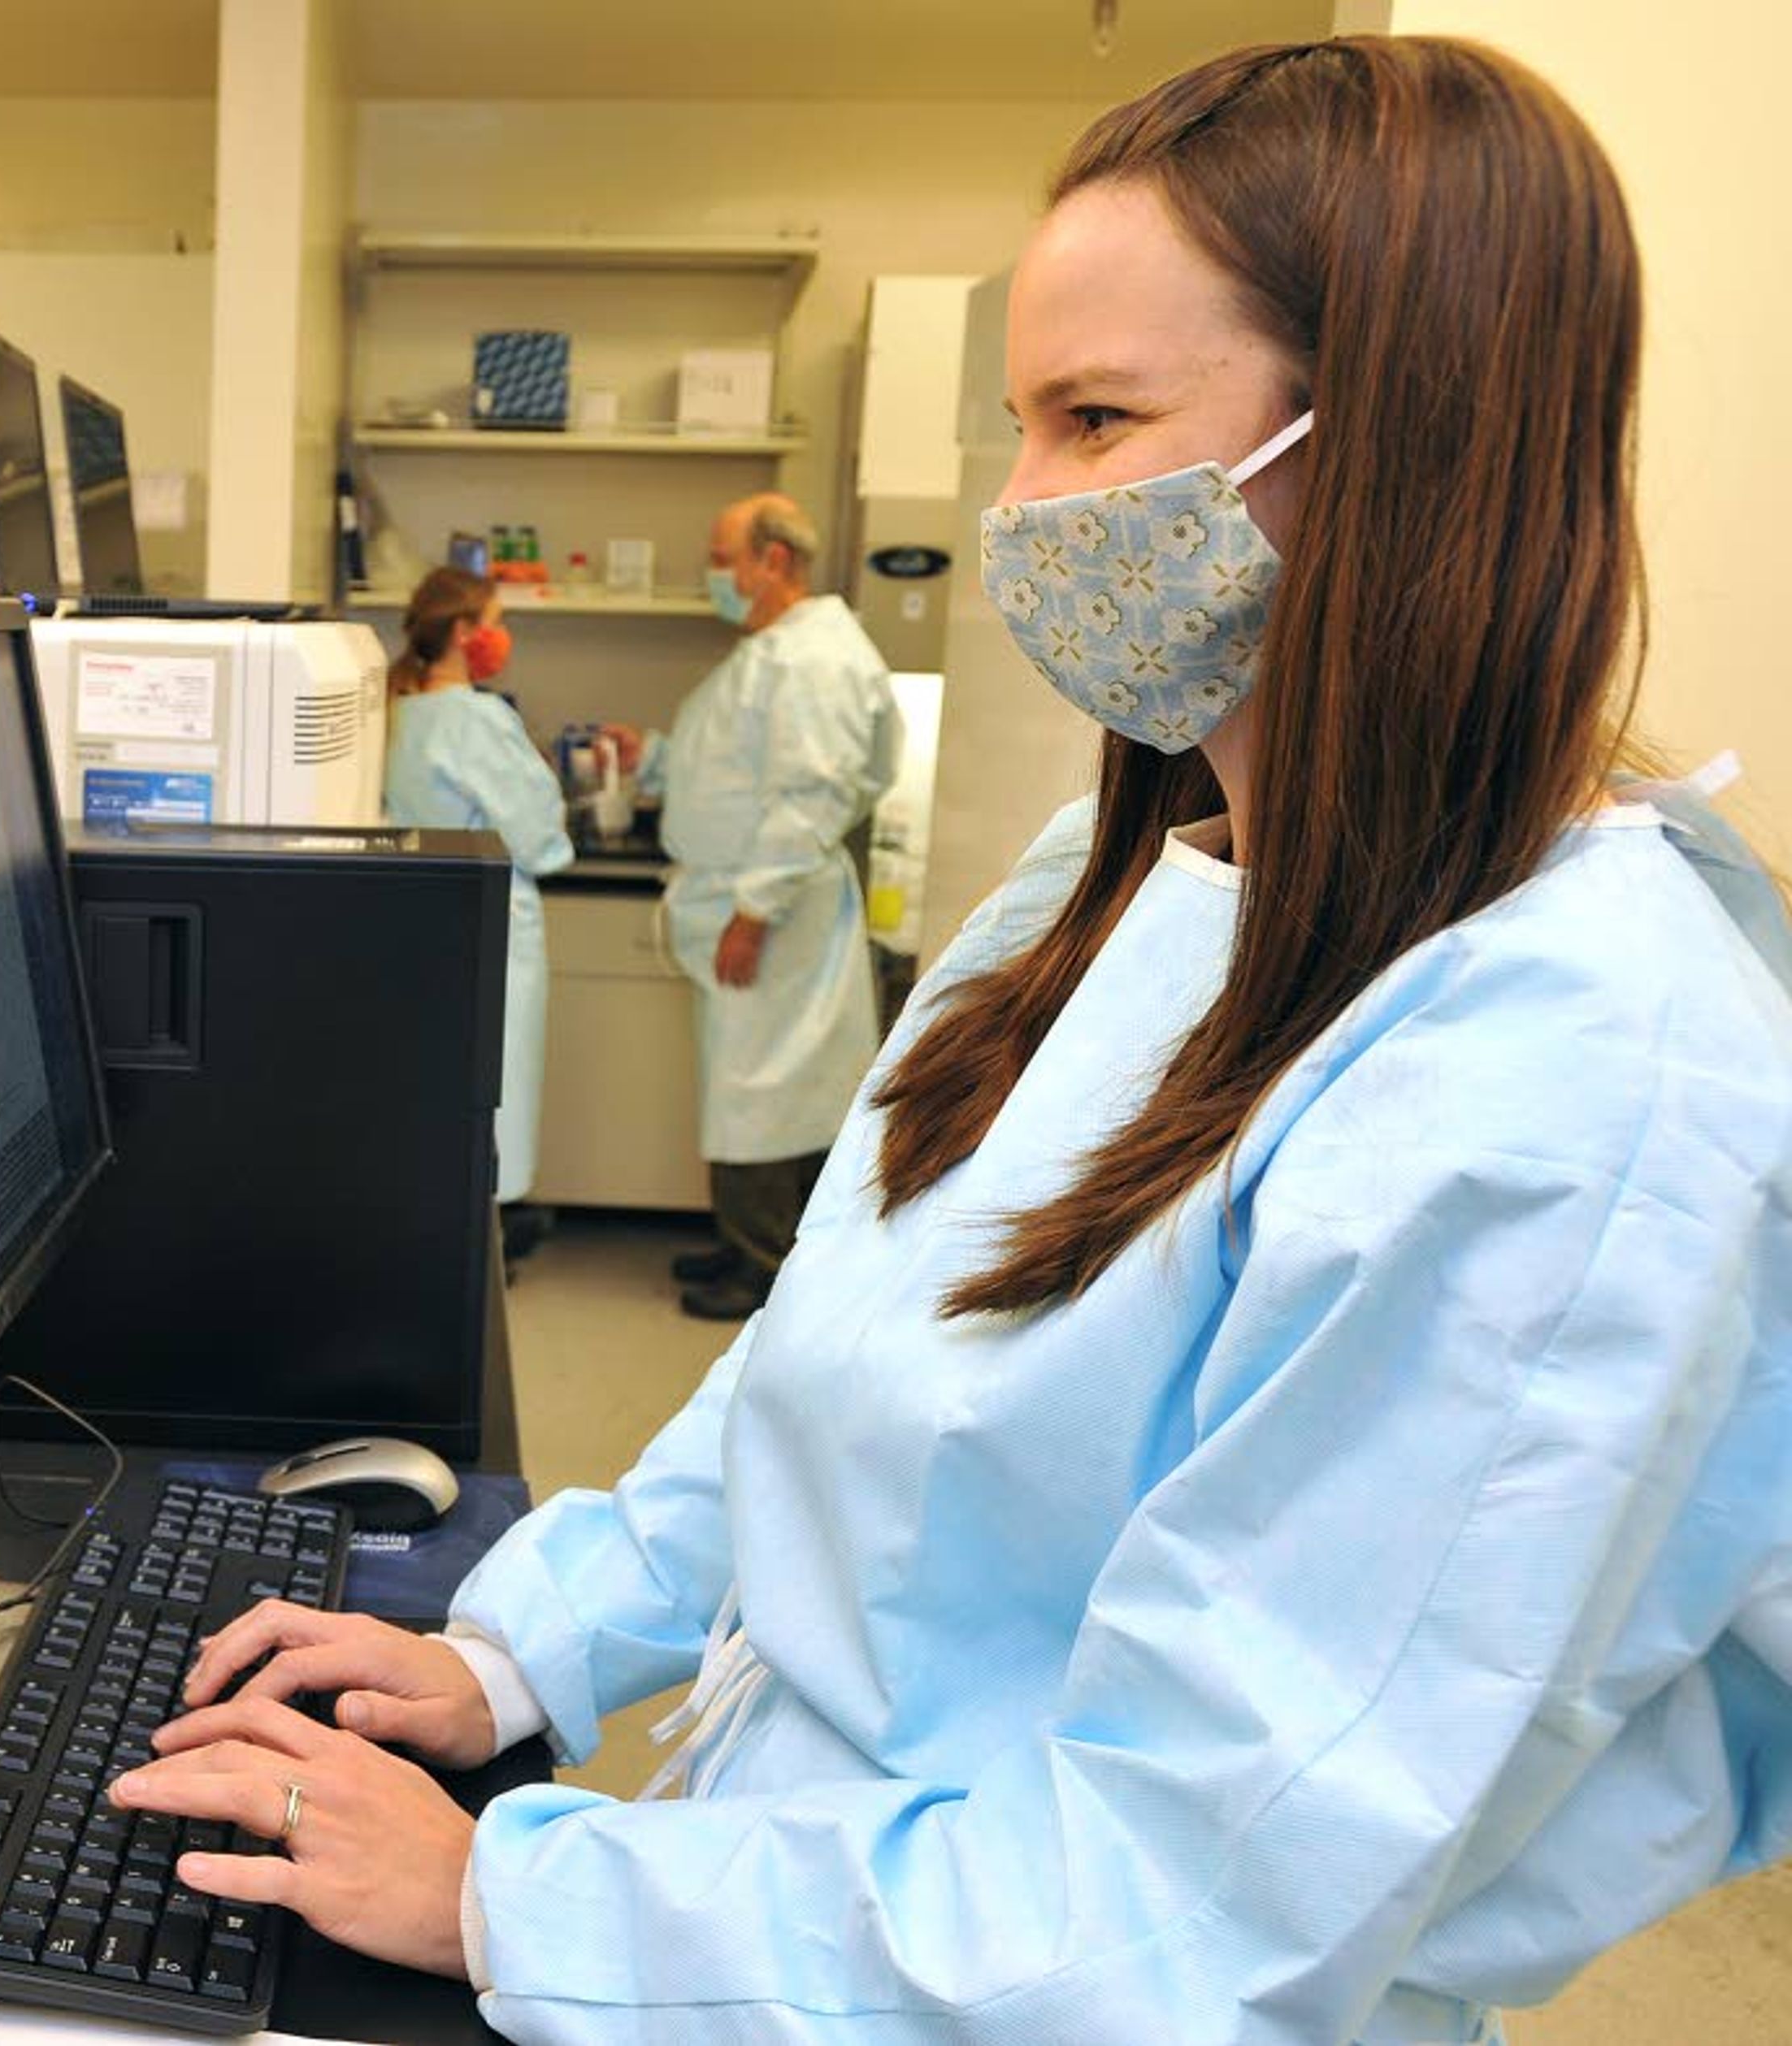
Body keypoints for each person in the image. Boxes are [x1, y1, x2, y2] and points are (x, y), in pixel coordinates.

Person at [110, 36, 1792, 2044]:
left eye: (1096, 418)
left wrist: (513, 1885)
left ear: (1409, 438)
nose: (1021, 513)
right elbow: (838, 1372)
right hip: (789, 1911)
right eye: (1021, 422)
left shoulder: (1563, 1068)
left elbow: (1181, 1925)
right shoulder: (1126, 878)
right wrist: (515, 1646)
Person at [618, 493, 902, 1321]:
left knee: (763, 1086)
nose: (713, 574)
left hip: (773, 905)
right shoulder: (777, 651)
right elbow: (740, 767)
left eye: (720, 555)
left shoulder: (812, 661)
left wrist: (755, 908)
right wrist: (660, 758)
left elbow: (811, 792)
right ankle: (746, 1240)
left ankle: (764, 1262)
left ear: (771, 561)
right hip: (750, 893)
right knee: (751, 1083)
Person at [381, 568, 572, 1240]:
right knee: (495, 1095)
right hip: (491, 924)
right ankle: (479, 1242)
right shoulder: (476, 719)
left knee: (427, 1097)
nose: (502, 637)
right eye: (495, 619)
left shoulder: (396, 710)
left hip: (416, 923)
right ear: (465, 632)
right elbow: (539, 837)